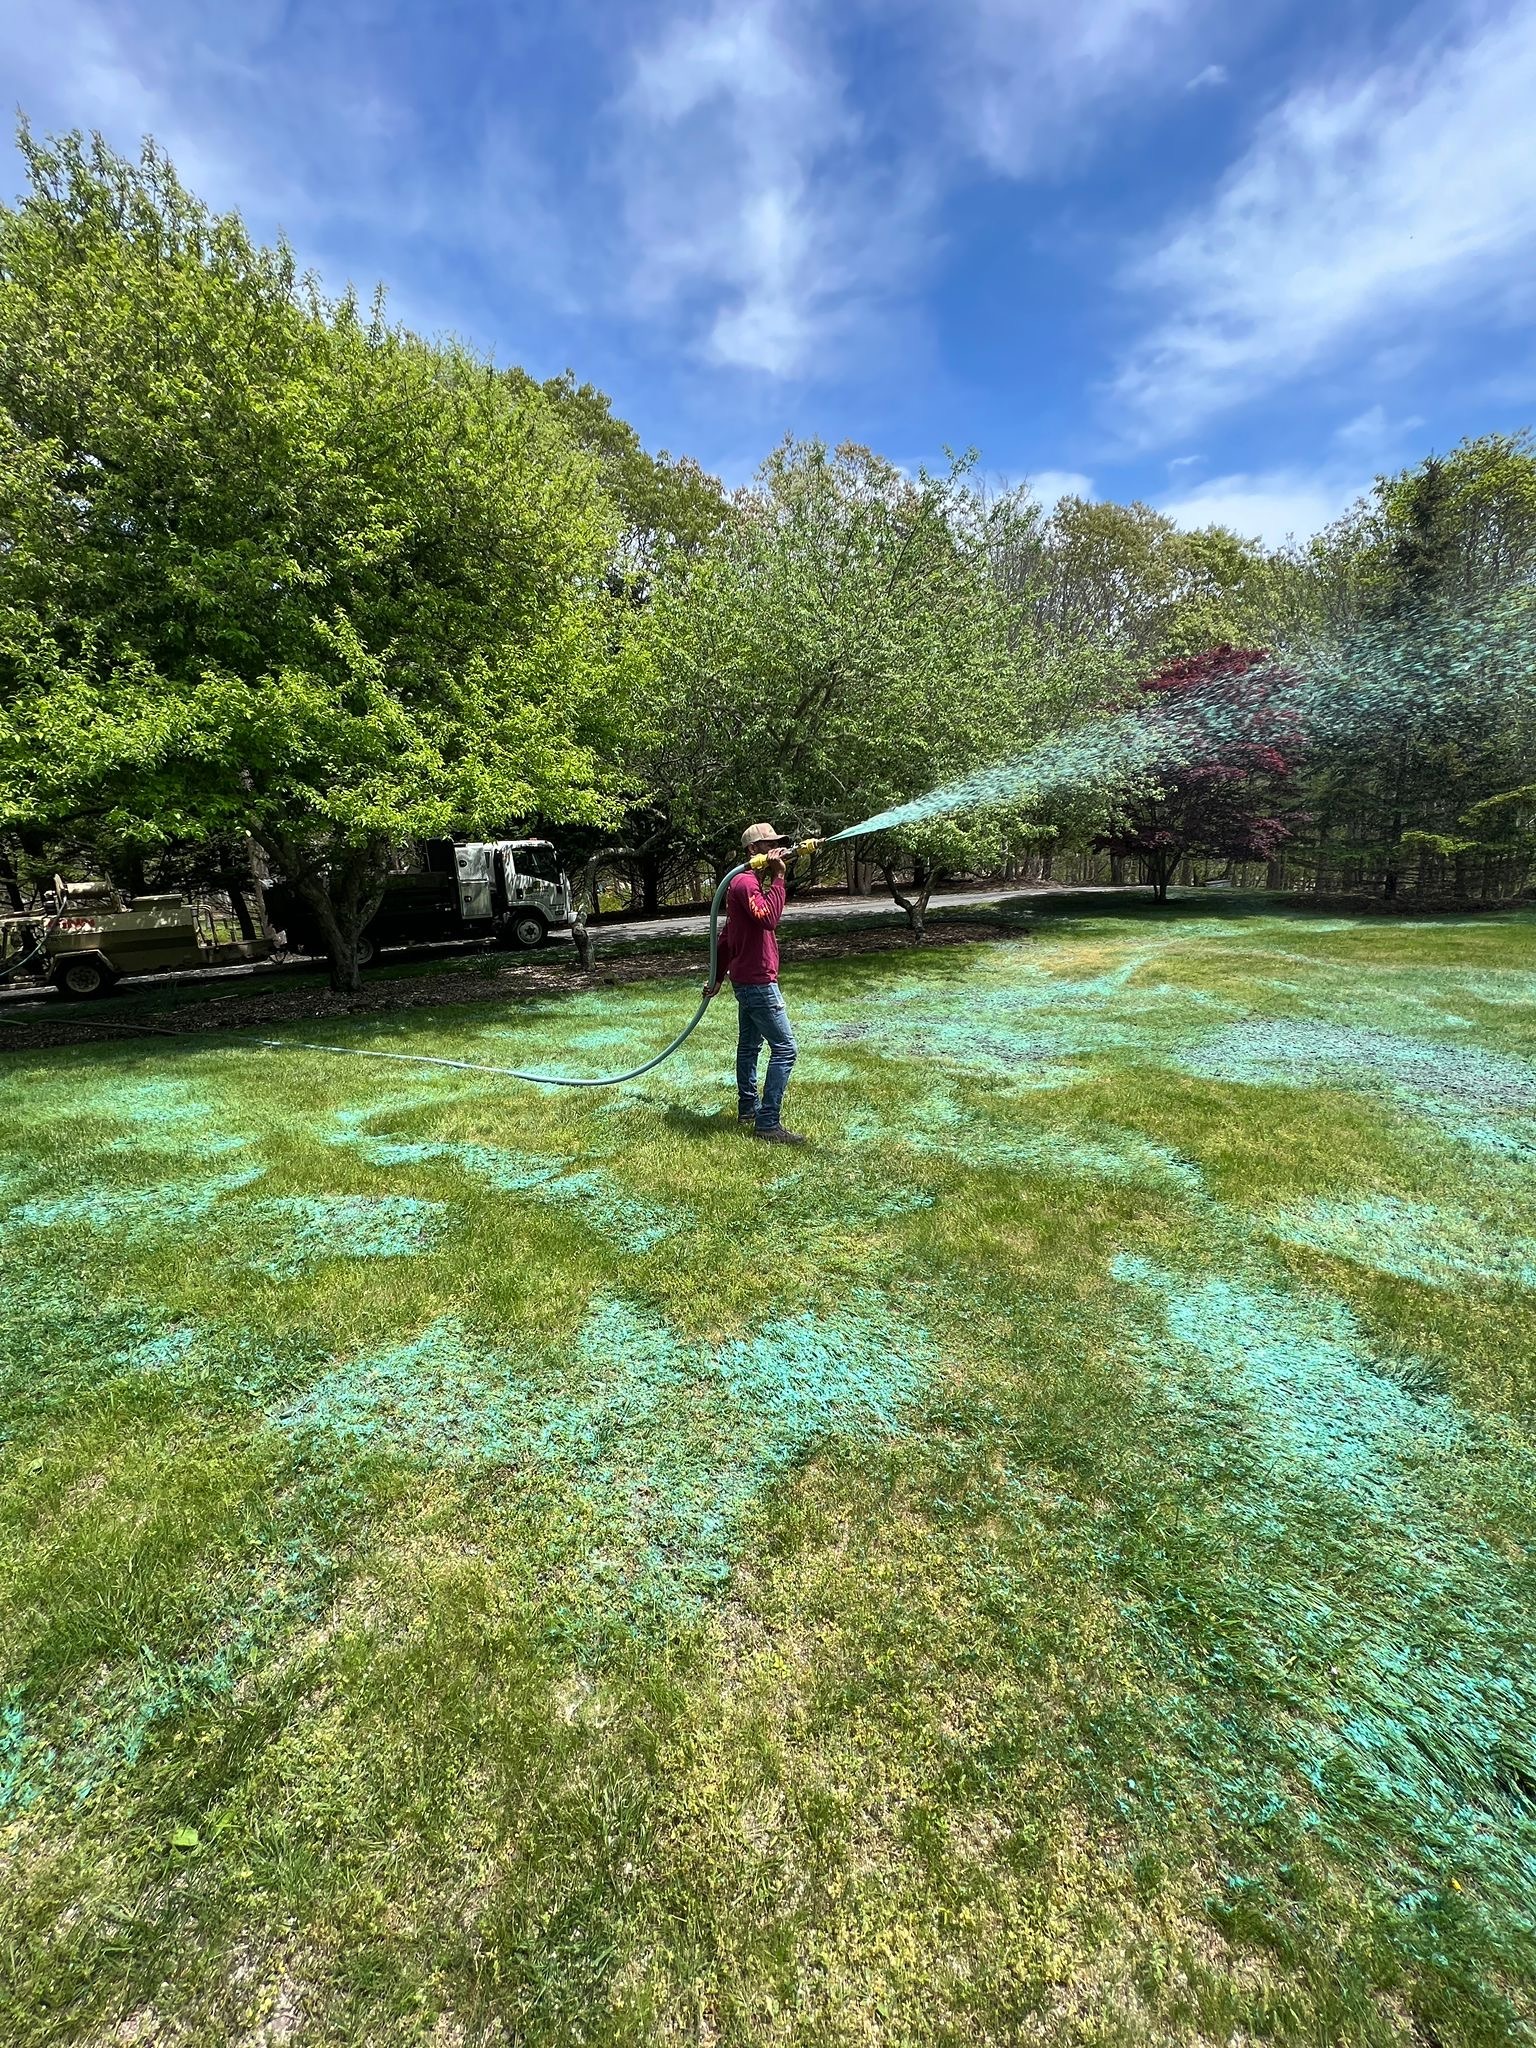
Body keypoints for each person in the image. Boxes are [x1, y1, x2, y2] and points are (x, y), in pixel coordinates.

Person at [704, 822, 806, 1145]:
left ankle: (748, 1108)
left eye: (778, 844)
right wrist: (779, 879)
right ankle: (768, 1123)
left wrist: (718, 977)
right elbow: (768, 918)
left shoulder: (742, 884)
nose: (776, 848)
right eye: (768, 845)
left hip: (746, 982)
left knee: (749, 1047)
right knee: (786, 1049)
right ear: (752, 851)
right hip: (759, 983)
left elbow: (725, 938)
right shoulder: (745, 884)